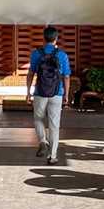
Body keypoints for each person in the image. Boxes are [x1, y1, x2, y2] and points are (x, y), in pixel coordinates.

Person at [26, 25, 71, 165]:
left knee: (38, 118)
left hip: (40, 92)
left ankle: (42, 141)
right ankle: (52, 156)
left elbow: (31, 74)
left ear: (44, 38)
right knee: (54, 125)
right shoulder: (62, 55)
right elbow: (67, 77)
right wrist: (66, 95)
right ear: (56, 38)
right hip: (57, 93)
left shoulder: (36, 53)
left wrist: (28, 92)